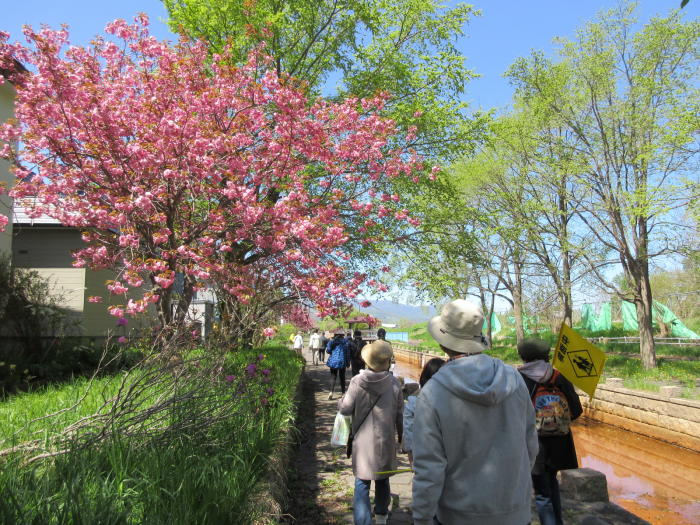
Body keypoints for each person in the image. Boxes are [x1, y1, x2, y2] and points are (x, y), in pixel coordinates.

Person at [411, 299, 538, 525]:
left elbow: (429, 468)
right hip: (516, 513)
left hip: (457, 516)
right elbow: (530, 445)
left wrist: (422, 518)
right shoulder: (514, 379)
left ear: (443, 343)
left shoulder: (433, 393)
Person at [517, 337, 583, 525]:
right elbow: (576, 410)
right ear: (547, 356)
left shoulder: (520, 379)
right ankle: (558, 521)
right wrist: (557, 422)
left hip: (534, 442)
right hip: (560, 441)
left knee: (541, 491)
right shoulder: (559, 376)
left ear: (522, 357)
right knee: (552, 482)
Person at [338, 340, 403, 525]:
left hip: (362, 440)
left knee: (362, 481)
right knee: (383, 478)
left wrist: (340, 402)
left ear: (368, 361)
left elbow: (345, 408)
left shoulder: (357, 382)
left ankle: (363, 520)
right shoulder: (394, 384)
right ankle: (382, 515)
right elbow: (400, 414)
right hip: (386, 439)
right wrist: (401, 435)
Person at [402, 358, 444, 468]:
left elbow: (409, 431)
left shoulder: (413, 401)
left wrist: (411, 459)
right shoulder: (451, 400)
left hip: (422, 455)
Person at [326, 332, 351, 400]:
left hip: (334, 361)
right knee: (342, 377)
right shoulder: (345, 342)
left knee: (333, 377)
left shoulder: (332, 342)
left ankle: (331, 392)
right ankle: (343, 393)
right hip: (342, 361)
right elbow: (348, 354)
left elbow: (328, 351)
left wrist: (333, 351)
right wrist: (348, 364)